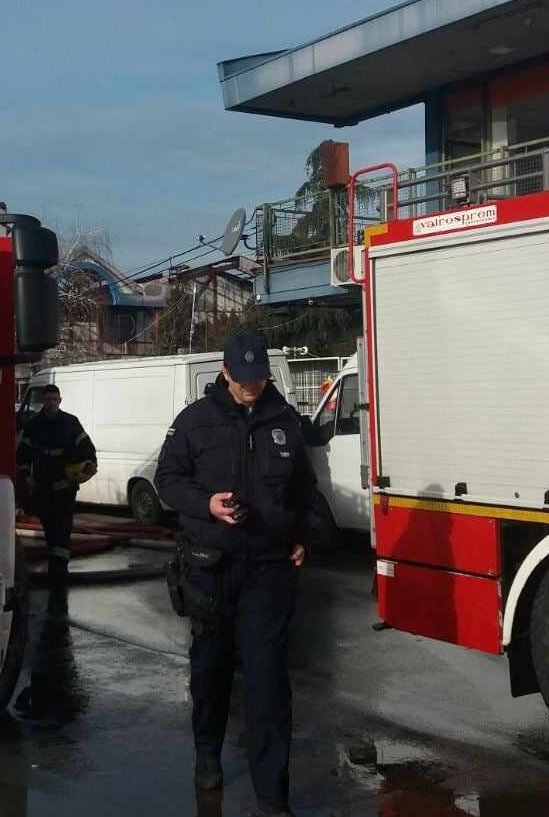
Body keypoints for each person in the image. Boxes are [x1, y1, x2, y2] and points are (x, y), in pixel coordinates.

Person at [156, 334, 318, 817]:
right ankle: (207, 752)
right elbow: (168, 481)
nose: (252, 385)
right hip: (210, 568)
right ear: (225, 373)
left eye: (259, 377)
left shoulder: (284, 422)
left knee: (268, 681)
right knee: (211, 668)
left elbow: (306, 493)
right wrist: (206, 504)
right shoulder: (194, 421)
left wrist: (305, 536)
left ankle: (273, 797)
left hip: (268, 571)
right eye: (243, 378)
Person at [16, 384, 97, 588]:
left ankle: (60, 570)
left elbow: (87, 448)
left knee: (63, 529)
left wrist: (89, 466)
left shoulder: (71, 423)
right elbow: (22, 456)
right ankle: (56, 566)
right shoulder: (34, 426)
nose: (52, 403)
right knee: (50, 528)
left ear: (60, 401)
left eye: (55, 399)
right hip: (42, 487)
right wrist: (27, 478)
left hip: (65, 486)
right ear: (43, 401)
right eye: (49, 399)